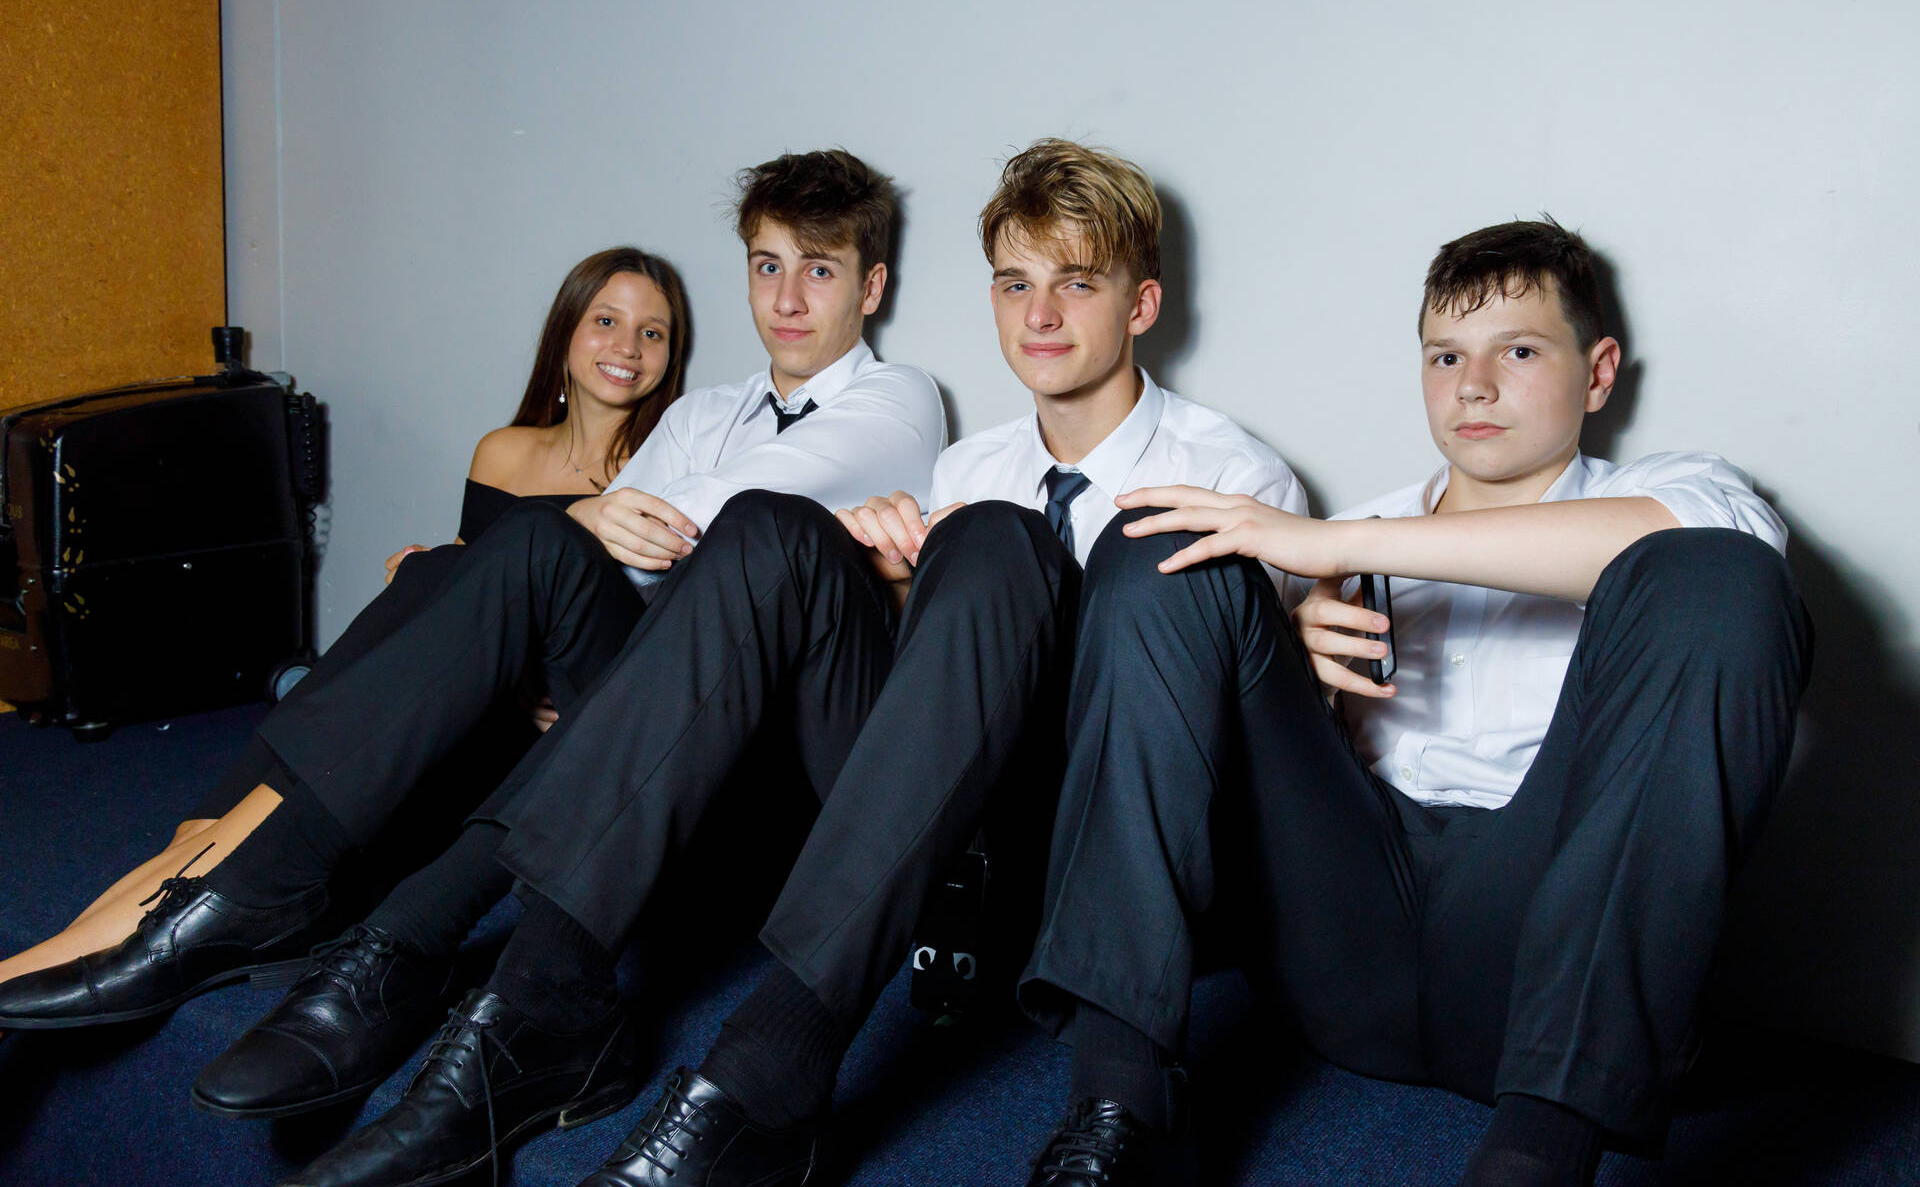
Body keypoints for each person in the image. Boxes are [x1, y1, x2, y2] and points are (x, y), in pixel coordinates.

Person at [283, 138, 1305, 1187]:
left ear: (1141, 305)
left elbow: (1207, 718)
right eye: (1015, 284)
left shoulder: (1237, 476)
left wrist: (1291, 615)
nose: (1039, 315)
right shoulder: (967, 466)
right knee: (779, 530)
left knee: (996, 539)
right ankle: (533, 989)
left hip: (1092, 854)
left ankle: (762, 1059)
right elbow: (939, 691)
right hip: (945, 831)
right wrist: (888, 576)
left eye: (1076, 284)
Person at [0, 146, 946, 1151]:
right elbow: (607, 558)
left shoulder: (901, 400)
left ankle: (307, 893)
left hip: (756, 763)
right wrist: (549, 548)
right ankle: (251, 872)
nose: (787, 298)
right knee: (512, 546)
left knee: (536, 542)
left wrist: (570, 532)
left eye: (819, 269)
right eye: (767, 265)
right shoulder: (702, 411)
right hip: (638, 707)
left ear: (870, 287)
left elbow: (719, 519)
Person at [1012, 218, 1812, 1186]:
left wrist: (1342, 544)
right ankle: (1122, 1100)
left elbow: (1710, 569)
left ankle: (1535, 1160)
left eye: (1519, 351)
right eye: (1445, 355)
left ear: (1598, 374)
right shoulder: (1345, 534)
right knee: (1167, 541)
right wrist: (1288, 660)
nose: (1474, 384)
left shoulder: (1673, 491)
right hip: (1344, 943)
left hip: (1542, 959)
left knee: (1720, 577)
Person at [0, 245, 689, 1002]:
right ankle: (116, 932)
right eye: (606, 321)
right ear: (566, 333)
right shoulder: (504, 453)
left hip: (541, 733)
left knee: (419, 594)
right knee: (209, 829)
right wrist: (440, 573)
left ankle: (94, 955)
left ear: (670, 357)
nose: (628, 346)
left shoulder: (674, 471)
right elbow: (481, 597)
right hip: (466, 693)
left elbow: (653, 637)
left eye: (653, 333)